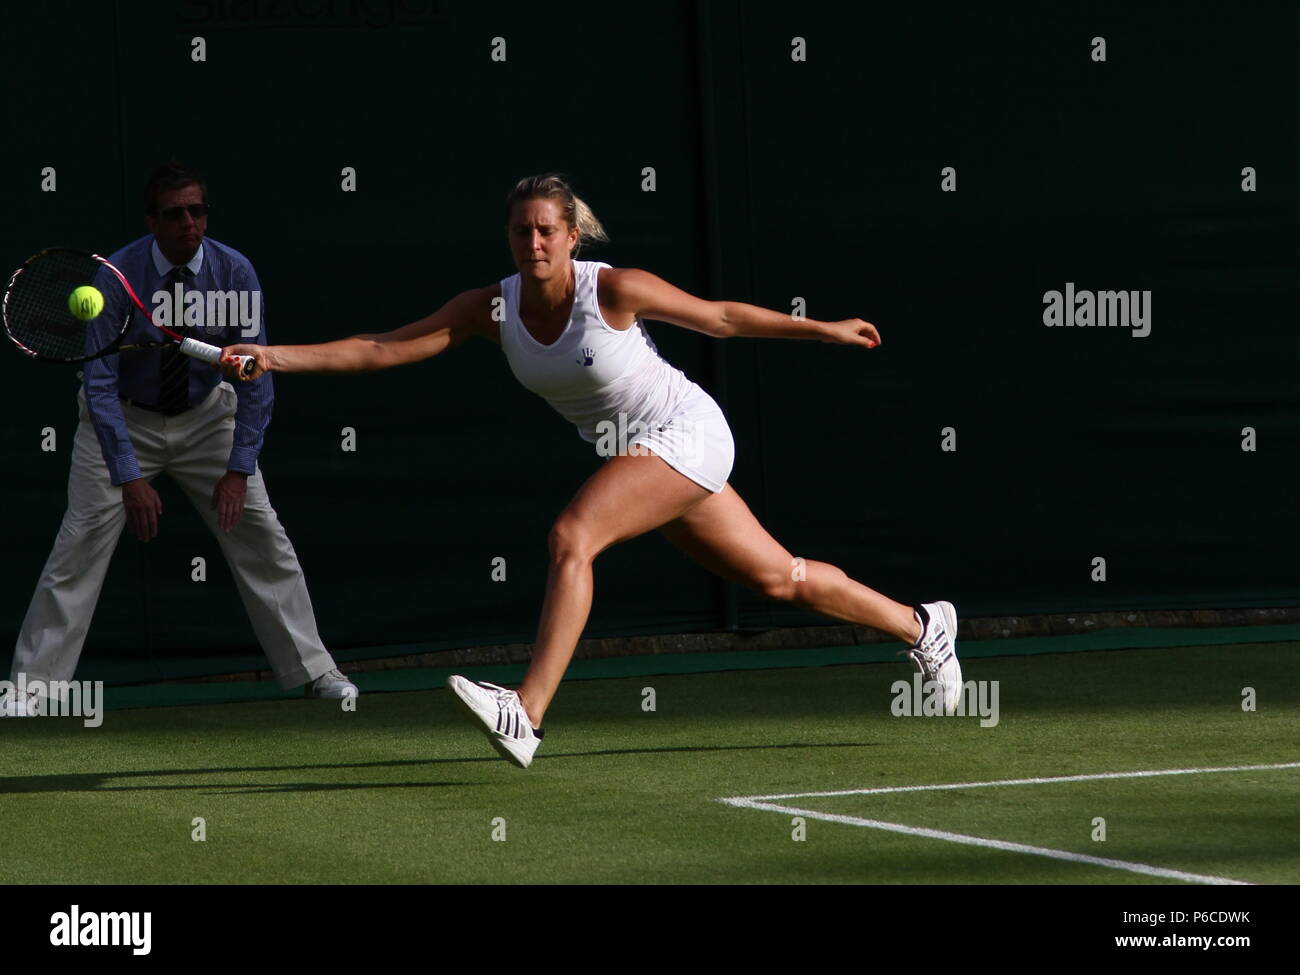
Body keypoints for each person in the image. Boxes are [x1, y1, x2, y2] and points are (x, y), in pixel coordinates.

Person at [218, 173, 958, 767]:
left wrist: (820, 328)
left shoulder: (613, 289)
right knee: (776, 577)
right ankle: (922, 626)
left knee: (573, 535)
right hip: (640, 456)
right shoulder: (490, 309)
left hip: (687, 433)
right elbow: (381, 346)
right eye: (521, 230)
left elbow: (721, 318)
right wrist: (273, 355)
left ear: (572, 235)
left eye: (547, 229)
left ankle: (527, 711)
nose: (534, 240)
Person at [0, 162, 356, 718]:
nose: (190, 223)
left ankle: (316, 671)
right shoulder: (117, 277)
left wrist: (239, 468)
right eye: (175, 214)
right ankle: (31, 687)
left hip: (207, 418)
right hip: (120, 420)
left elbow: (254, 372)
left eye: (198, 210)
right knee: (78, 545)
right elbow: (98, 381)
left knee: (263, 535)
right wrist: (129, 476)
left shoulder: (235, 271)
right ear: (152, 221)